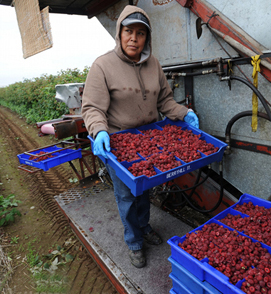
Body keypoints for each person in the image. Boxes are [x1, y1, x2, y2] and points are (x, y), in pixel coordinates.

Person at [81, 5, 199, 268]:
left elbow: (165, 101)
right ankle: (134, 241)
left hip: (149, 139)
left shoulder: (153, 64)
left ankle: (144, 226)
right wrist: (99, 131)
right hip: (119, 142)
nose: (134, 38)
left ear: (147, 38)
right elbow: (92, 108)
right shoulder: (102, 65)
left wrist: (183, 112)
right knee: (126, 195)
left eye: (141, 33)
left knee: (144, 190)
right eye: (128, 31)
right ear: (119, 33)